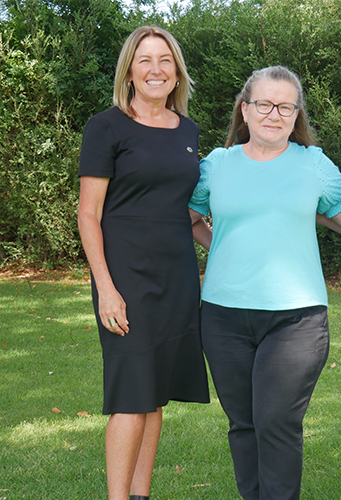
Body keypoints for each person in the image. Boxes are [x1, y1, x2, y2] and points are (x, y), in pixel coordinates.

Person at [188, 65, 341, 500]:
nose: (274, 114)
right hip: (223, 317)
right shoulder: (217, 165)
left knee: (276, 423)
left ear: (296, 116)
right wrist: (218, 245)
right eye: (264, 104)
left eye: (285, 106)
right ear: (245, 110)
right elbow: (186, 218)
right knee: (243, 424)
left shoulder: (313, 165)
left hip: (295, 320)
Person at [77, 26, 210, 500]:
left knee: (155, 394)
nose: (155, 69)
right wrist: (106, 289)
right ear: (129, 71)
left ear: (177, 74)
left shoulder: (189, 132)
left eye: (165, 60)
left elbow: (186, 212)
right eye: (144, 60)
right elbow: (88, 215)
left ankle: (140, 496)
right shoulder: (106, 126)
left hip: (177, 277)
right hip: (125, 278)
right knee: (132, 394)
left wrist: (226, 246)